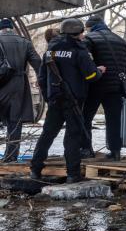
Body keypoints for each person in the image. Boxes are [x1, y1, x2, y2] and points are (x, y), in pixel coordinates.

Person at [30, 19, 105, 183]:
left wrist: (49, 97)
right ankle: (73, 174)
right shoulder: (79, 50)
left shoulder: (50, 50)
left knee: (47, 135)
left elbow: (42, 78)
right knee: (73, 137)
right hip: (74, 101)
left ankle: (35, 170)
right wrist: (99, 71)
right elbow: (91, 76)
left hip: (55, 100)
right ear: (78, 32)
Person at [81, 14, 126, 161]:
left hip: (95, 84)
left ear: (90, 27)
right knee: (114, 120)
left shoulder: (89, 39)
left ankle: (86, 149)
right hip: (116, 86)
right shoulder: (120, 40)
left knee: (85, 117)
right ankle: (115, 152)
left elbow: (85, 61)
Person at [0, 18, 42, 163]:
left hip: (1, 84)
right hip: (18, 86)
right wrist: (40, 79)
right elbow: (37, 62)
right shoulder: (24, 42)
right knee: (15, 122)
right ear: (12, 28)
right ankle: (11, 157)